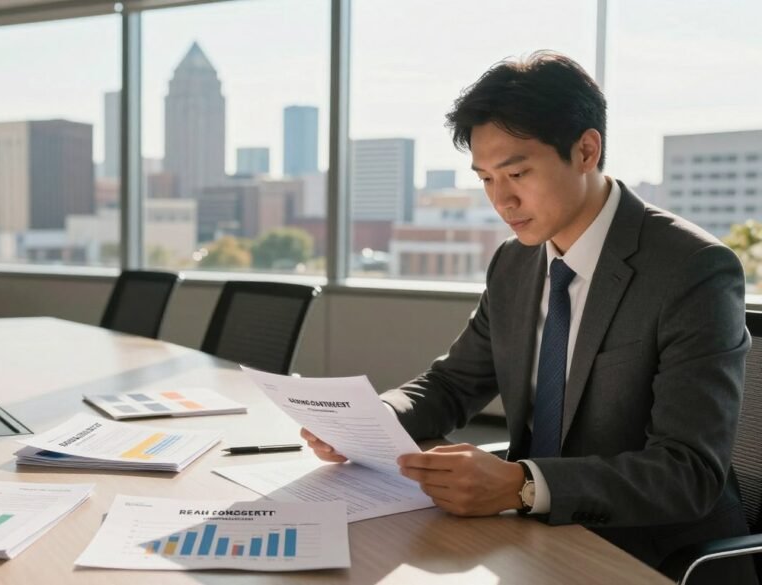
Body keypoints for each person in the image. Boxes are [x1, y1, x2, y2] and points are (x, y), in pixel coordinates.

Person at [303, 51, 755, 584]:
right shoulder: (516, 261)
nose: (502, 200)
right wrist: (371, 420)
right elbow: (453, 382)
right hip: (530, 540)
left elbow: (687, 471)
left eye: (517, 173)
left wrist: (523, 484)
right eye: (487, 179)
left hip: (656, 558)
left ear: (587, 150)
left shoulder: (691, 269)